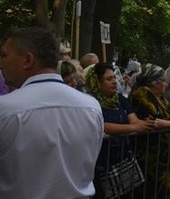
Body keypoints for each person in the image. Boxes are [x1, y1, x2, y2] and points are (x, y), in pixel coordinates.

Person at [0, 27, 103, 198]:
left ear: (27, 60)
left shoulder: (5, 108)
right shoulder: (91, 106)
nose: (1, 63)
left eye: (4, 55)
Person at [85, 62, 154, 198]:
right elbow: (103, 126)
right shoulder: (90, 102)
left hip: (122, 158)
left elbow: (133, 119)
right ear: (96, 82)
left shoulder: (120, 99)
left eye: (114, 78)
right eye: (108, 79)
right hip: (101, 162)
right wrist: (135, 127)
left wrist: (145, 123)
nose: (114, 82)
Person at [129, 63, 170, 199]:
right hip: (150, 153)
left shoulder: (159, 97)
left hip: (164, 154)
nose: (166, 84)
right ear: (155, 82)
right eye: (163, 81)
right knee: (152, 190)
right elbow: (152, 121)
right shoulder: (142, 94)